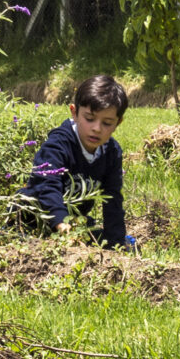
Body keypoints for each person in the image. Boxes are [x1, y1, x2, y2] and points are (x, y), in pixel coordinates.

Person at [20, 74, 133, 247]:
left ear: (118, 122)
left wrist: (116, 243)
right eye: (89, 119)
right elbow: (46, 186)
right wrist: (61, 223)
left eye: (107, 123)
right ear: (74, 112)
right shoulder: (58, 145)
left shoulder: (111, 152)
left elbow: (112, 200)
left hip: (73, 225)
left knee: (110, 240)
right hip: (32, 222)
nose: (96, 128)